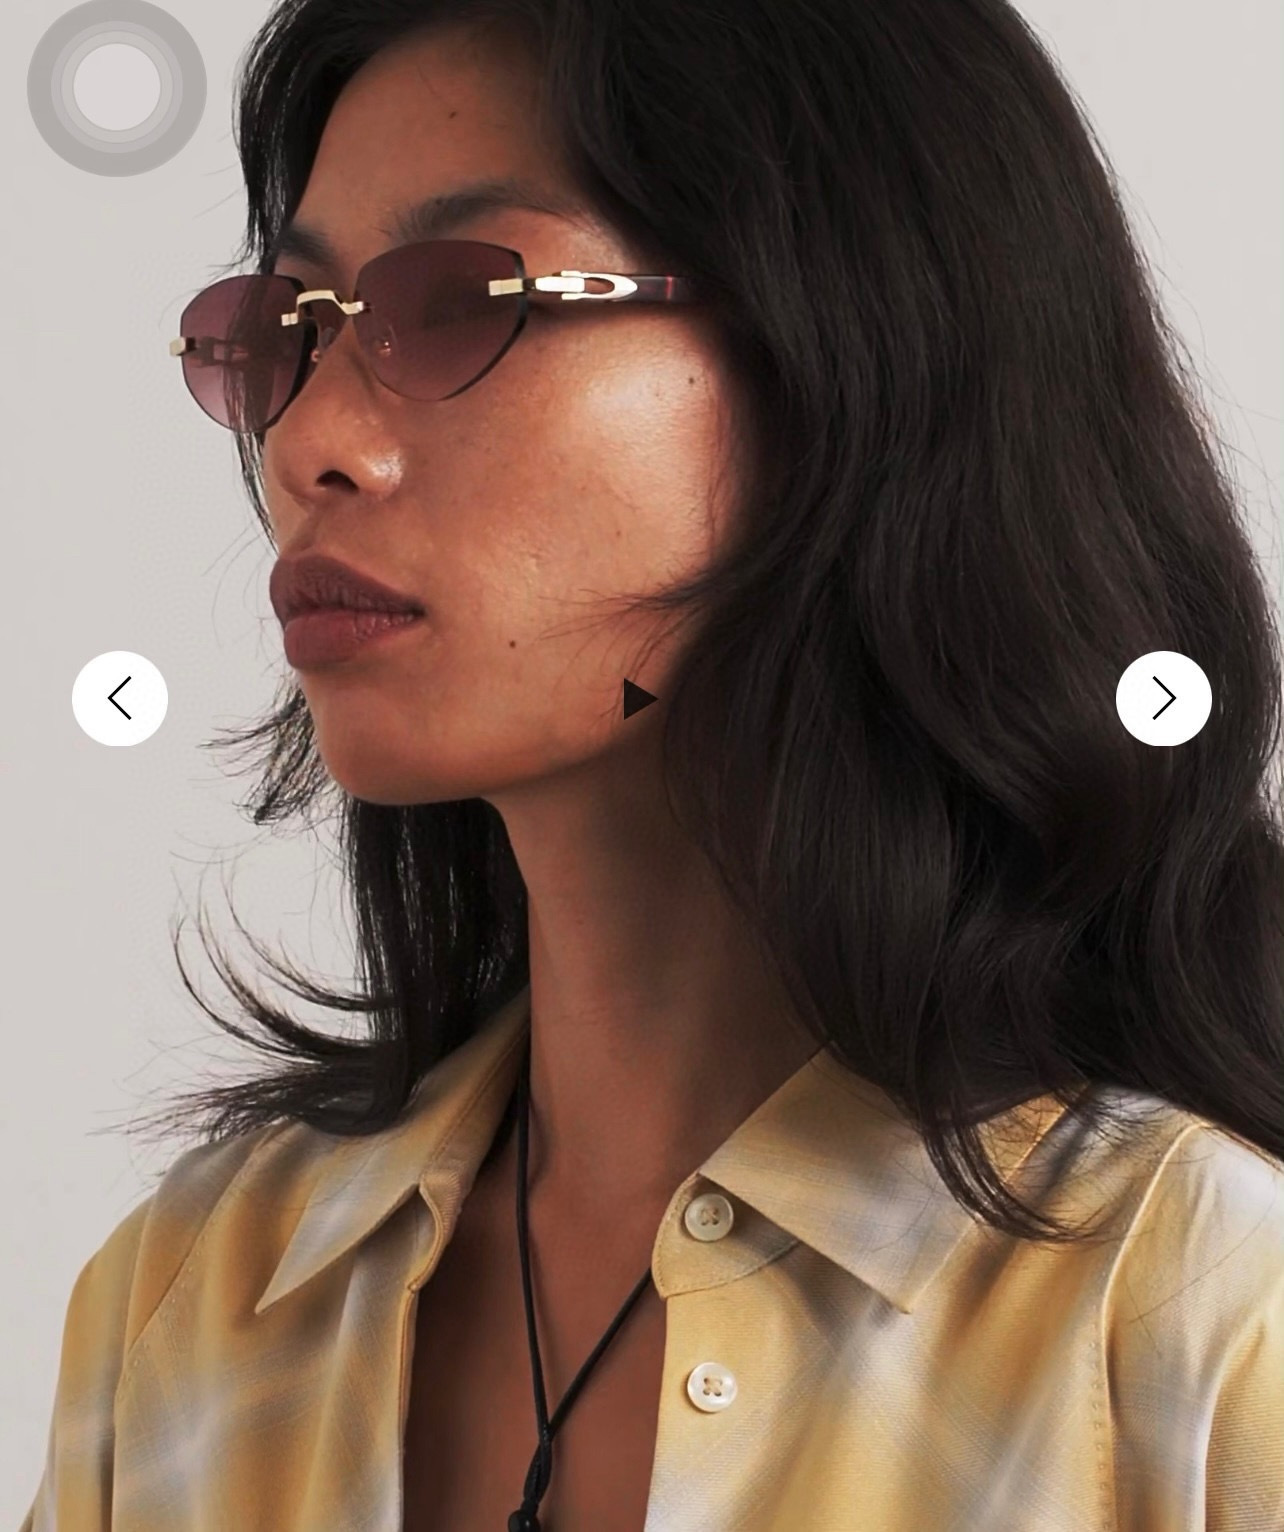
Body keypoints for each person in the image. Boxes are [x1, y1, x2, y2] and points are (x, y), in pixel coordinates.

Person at [24, 1, 1284, 1528]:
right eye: (289, 329)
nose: (308, 444)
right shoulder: (193, 1302)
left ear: (850, 355)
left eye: (459, 302)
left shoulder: (1206, 1320)